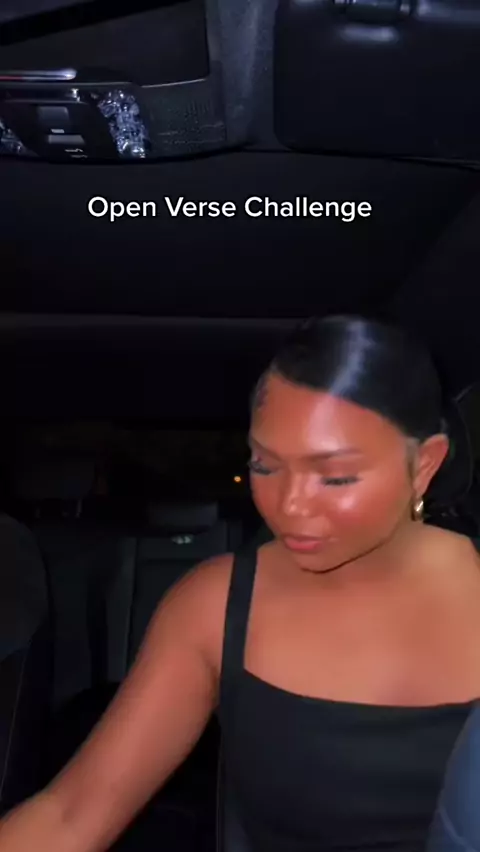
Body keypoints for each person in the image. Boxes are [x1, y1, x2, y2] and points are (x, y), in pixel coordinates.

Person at [1, 314, 479, 852]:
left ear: (425, 465)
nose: (289, 505)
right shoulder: (215, 604)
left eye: (335, 476)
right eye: (265, 466)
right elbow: (70, 816)